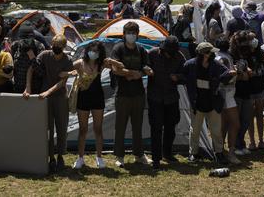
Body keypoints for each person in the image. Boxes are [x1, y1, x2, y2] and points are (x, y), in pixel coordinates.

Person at [25, 35, 72, 172]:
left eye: (59, 46)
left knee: (62, 126)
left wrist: (48, 92)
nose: (56, 48)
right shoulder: (45, 55)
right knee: (48, 128)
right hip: (44, 98)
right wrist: (28, 87)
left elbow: (62, 82)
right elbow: (31, 68)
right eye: (54, 45)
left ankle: (61, 156)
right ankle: (51, 157)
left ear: (63, 47)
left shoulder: (68, 60)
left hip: (59, 97)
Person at [109, 21, 152, 166]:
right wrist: (132, 72)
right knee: (120, 126)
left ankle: (139, 154)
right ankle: (119, 156)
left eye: (134, 33)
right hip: (122, 94)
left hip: (138, 93)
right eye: (129, 33)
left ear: (137, 35)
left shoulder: (141, 49)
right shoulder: (118, 48)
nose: (131, 35)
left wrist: (140, 72)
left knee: (137, 126)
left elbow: (145, 67)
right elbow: (115, 69)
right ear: (124, 34)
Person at [183, 42, 232, 165]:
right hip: (197, 102)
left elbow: (226, 74)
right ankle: (193, 153)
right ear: (202, 54)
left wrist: (231, 74)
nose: (212, 55)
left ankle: (219, 153)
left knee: (216, 130)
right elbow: (182, 77)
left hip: (213, 102)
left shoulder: (216, 65)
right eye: (209, 52)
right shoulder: (190, 65)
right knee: (195, 130)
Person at [70, 41, 112, 169]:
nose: (93, 53)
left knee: (98, 128)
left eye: (97, 51)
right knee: (83, 129)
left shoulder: (101, 64)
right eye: (92, 50)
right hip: (83, 98)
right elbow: (65, 70)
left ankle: (99, 157)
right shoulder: (79, 63)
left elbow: (118, 67)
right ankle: (80, 158)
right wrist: (70, 76)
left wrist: (113, 62)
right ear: (87, 50)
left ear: (100, 54)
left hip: (97, 98)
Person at [146, 35, 187, 169]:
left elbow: (186, 74)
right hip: (155, 96)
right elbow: (143, 67)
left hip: (171, 97)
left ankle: (167, 153)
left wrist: (178, 77)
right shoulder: (152, 54)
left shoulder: (180, 57)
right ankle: (156, 158)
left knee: (171, 126)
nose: (169, 55)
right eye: (167, 53)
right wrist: (148, 71)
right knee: (156, 128)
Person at [214, 34, 241, 164]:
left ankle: (220, 151)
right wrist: (236, 73)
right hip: (226, 94)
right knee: (235, 124)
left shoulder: (222, 56)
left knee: (224, 124)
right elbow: (224, 79)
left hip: (225, 93)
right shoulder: (222, 58)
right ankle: (230, 152)